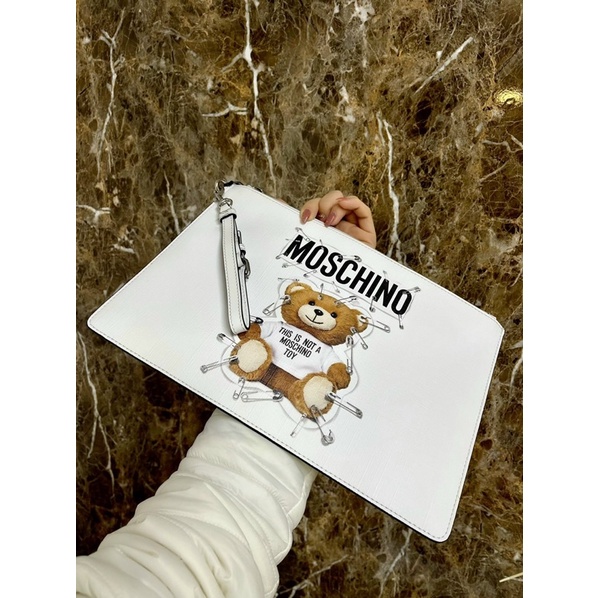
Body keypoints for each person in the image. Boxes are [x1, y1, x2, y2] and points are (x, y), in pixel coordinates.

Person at [76, 191, 377, 598]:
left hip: (288, 398)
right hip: (262, 385)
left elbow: (200, 550)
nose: (320, 313)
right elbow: (203, 554)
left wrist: (343, 274)